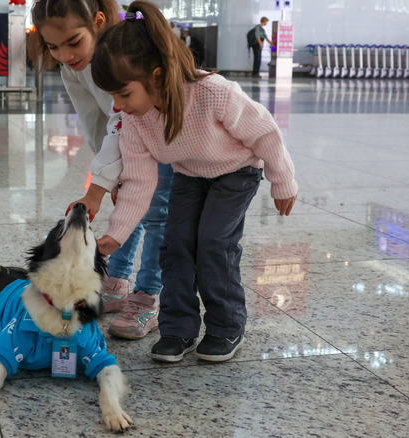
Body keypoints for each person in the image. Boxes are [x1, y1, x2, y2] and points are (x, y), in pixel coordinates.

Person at [91, 1, 298, 363]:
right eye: (113, 97)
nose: (118, 106)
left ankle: (225, 326)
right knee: (175, 245)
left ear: (156, 75)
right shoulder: (137, 120)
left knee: (214, 242)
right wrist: (117, 234)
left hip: (236, 172)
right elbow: (139, 181)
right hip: (190, 174)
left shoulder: (213, 92)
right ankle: (177, 329)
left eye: (124, 94)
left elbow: (265, 132)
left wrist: (283, 181)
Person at [31, 0, 174, 340]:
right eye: (53, 47)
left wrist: (99, 185)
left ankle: (147, 297)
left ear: (97, 22)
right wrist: (111, 174)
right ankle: (117, 281)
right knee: (127, 207)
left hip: (162, 137)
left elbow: (121, 117)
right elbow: (95, 120)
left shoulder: (122, 52)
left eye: (73, 42)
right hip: (128, 139)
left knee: (156, 216)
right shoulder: (72, 65)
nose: (64, 54)